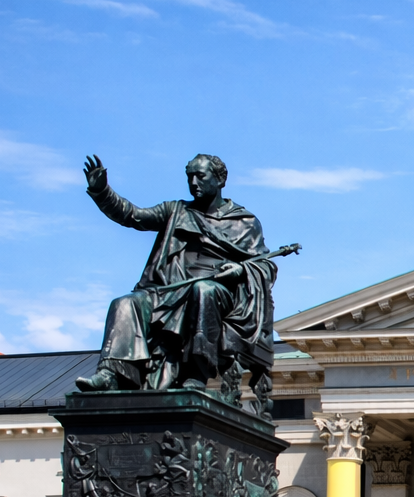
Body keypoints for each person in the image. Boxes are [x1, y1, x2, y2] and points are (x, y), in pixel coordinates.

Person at [76, 154, 276, 393]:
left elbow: (265, 265)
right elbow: (133, 216)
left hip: (218, 292)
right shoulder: (176, 211)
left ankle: (196, 373)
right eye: (189, 176)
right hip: (169, 290)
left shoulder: (244, 222)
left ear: (220, 179)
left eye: (200, 176)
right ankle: (112, 373)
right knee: (126, 303)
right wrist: (102, 191)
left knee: (203, 290)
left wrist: (240, 270)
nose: (193, 183)